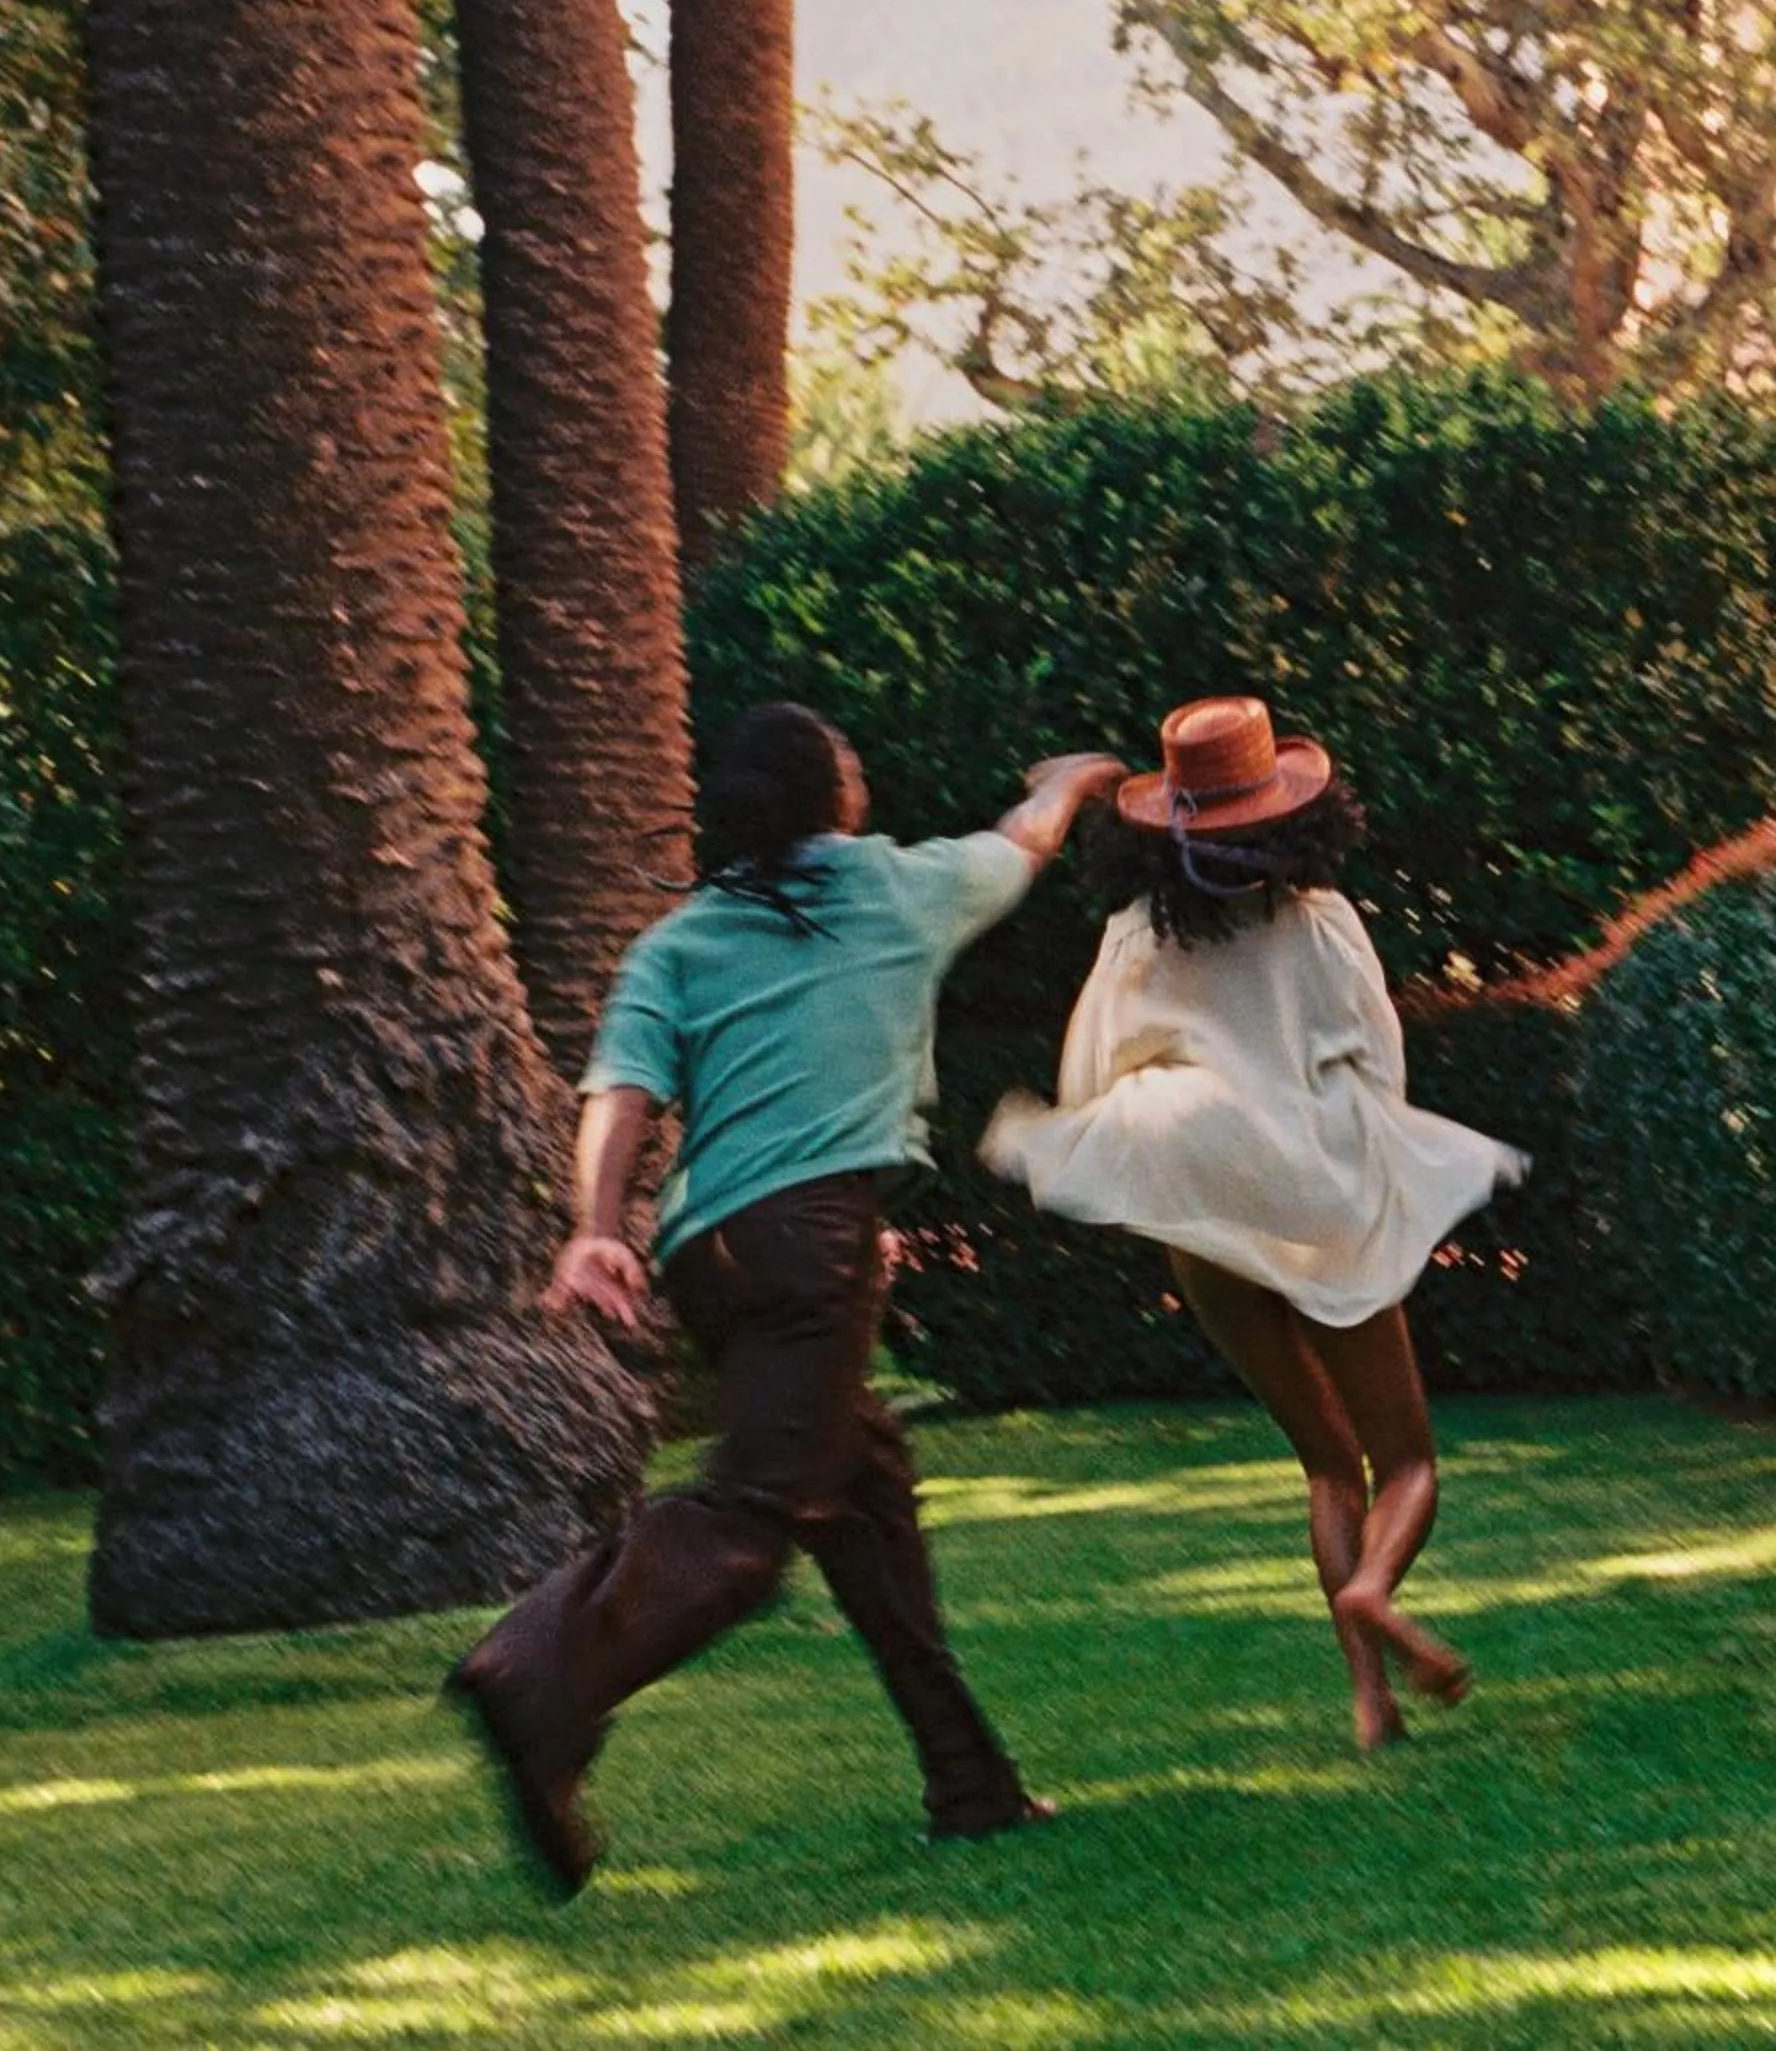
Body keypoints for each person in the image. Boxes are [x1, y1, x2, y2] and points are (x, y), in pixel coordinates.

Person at [446, 702, 1127, 1895]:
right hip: (815, 1248)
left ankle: (972, 1784)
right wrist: (1070, 780)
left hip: (710, 1252)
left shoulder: (683, 940)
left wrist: (596, 1232)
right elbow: (1024, 840)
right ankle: (536, 1675)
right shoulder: (902, 890)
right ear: (840, 801)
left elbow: (618, 1093)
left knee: (865, 1500)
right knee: (751, 1528)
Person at [982, 694, 1525, 1754]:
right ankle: (1374, 1588)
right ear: (1287, 816)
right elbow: (1378, 1061)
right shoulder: (1321, 920)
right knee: (1404, 1461)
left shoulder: (1134, 933)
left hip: (1205, 1206)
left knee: (1327, 1463)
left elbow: (1091, 1074)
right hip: (1318, 1196)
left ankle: (1370, 1703)